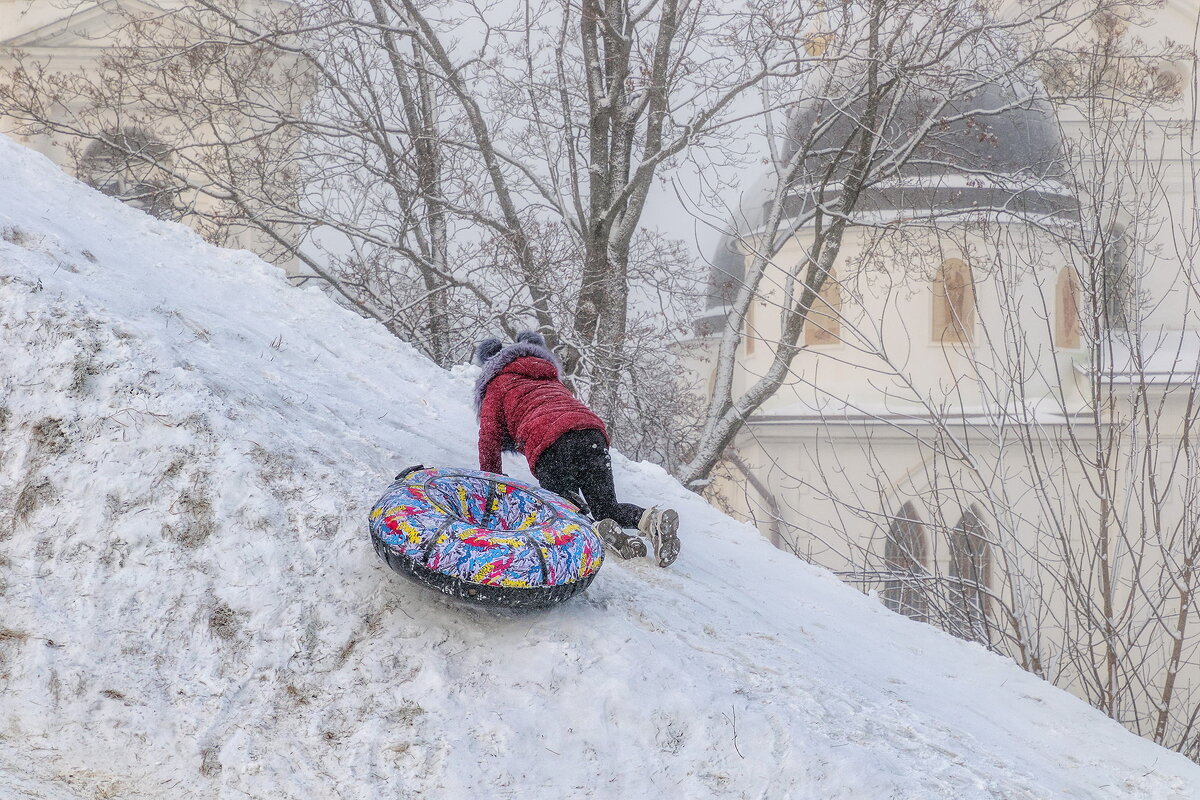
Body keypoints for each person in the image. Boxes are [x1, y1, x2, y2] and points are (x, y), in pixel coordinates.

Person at [473, 331, 680, 567]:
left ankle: (597, 530)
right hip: (591, 433)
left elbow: (489, 436)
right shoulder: (550, 378)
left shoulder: (498, 383)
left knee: (566, 508)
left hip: (551, 443)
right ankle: (649, 519)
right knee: (606, 506)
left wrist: (491, 479)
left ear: (489, 364)